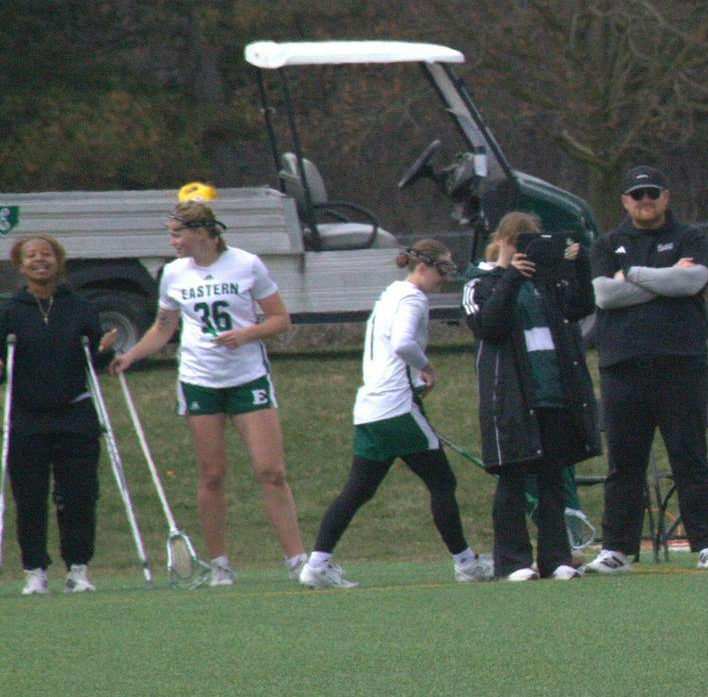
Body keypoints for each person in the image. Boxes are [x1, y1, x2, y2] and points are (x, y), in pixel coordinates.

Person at [111, 199, 307, 585]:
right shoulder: (172, 273)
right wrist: (130, 355)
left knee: (271, 471)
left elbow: (281, 319)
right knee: (212, 474)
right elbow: (164, 328)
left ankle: (298, 560)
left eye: (177, 233)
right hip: (200, 380)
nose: (173, 241)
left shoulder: (247, 264)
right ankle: (219, 564)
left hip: (247, 377)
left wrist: (246, 334)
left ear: (202, 233)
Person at [300, 240, 493, 588]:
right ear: (423, 266)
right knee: (442, 481)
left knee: (358, 490)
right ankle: (466, 564)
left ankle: (316, 565)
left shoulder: (390, 293)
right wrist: (427, 367)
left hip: (370, 408)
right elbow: (403, 343)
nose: (444, 279)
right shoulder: (413, 299)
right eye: (442, 270)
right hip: (396, 407)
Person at [582, 164, 708, 573]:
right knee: (624, 463)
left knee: (689, 456)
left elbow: (692, 282)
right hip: (622, 366)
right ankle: (618, 550)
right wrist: (662, 279)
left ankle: (706, 544)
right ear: (625, 202)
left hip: (680, 364)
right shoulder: (607, 243)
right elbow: (605, 295)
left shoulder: (690, 237)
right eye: (637, 195)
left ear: (665, 197)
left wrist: (631, 275)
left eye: (652, 193)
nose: (645, 201)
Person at [462, 210, 600, 580]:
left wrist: (580, 266)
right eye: (518, 243)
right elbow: (488, 324)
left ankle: (556, 558)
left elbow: (581, 307)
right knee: (513, 479)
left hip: (553, 391)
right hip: (511, 397)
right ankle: (513, 561)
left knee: (553, 478)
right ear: (503, 243)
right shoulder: (481, 282)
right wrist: (510, 276)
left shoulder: (546, 283)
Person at [1, 235, 119, 593]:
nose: (40, 261)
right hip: (27, 417)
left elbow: (96, 363)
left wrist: (105, 351)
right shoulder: (8, 311)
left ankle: (78, 568)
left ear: (58, 261)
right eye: (31, 256)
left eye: (46, 255)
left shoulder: (81, 307)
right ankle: (35, 570)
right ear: (20, 266)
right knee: (30, 496)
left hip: (75, 415)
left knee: (80, 495)